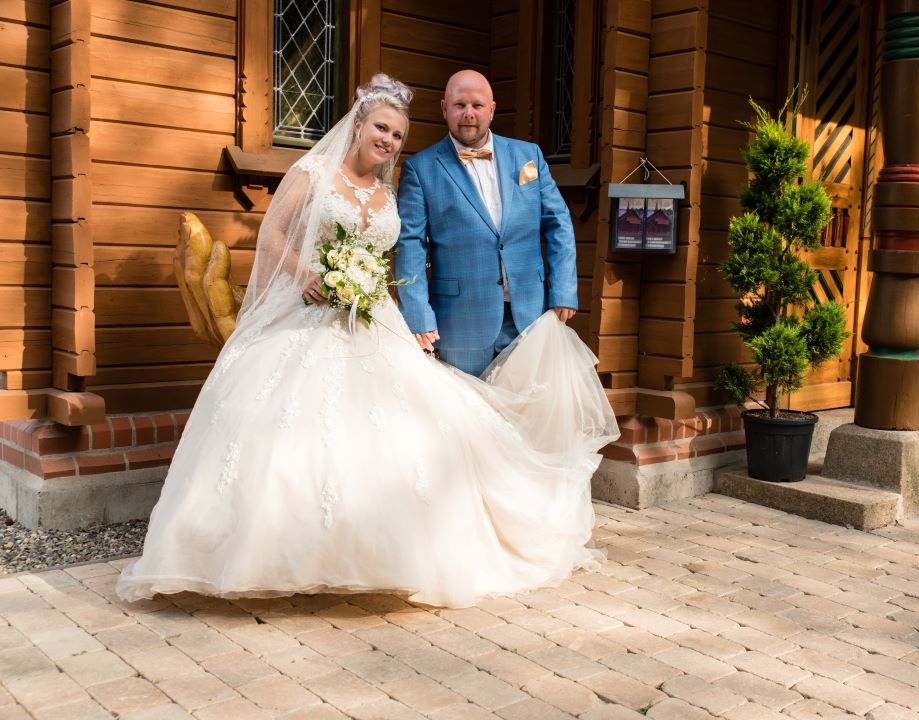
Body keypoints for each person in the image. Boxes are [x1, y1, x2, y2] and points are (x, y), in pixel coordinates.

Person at [116, 75, 617, 608]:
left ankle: (417, 541)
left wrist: (368, 284)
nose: (388, 140)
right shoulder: (316, 173)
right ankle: (281, 551)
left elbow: (527, 229)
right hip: (313, 313)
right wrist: (311, 275)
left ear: (491, 108)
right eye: (381, 128)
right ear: (359, 125)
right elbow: (275, 234)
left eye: (397, 135)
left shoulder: (394, 189)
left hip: (381, 315)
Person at [396, 70, 578, 376]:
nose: (469, 113)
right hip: (460, 320)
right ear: (444, 109)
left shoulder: (528, 155)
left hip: (531, 313)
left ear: (492, 110)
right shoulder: (420, 168)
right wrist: (417, 313)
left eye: (477, 105)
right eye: (460, 105)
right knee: (467, 404)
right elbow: (410, 244)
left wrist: (563, 290)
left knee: (528, 402)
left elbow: (558, 223)